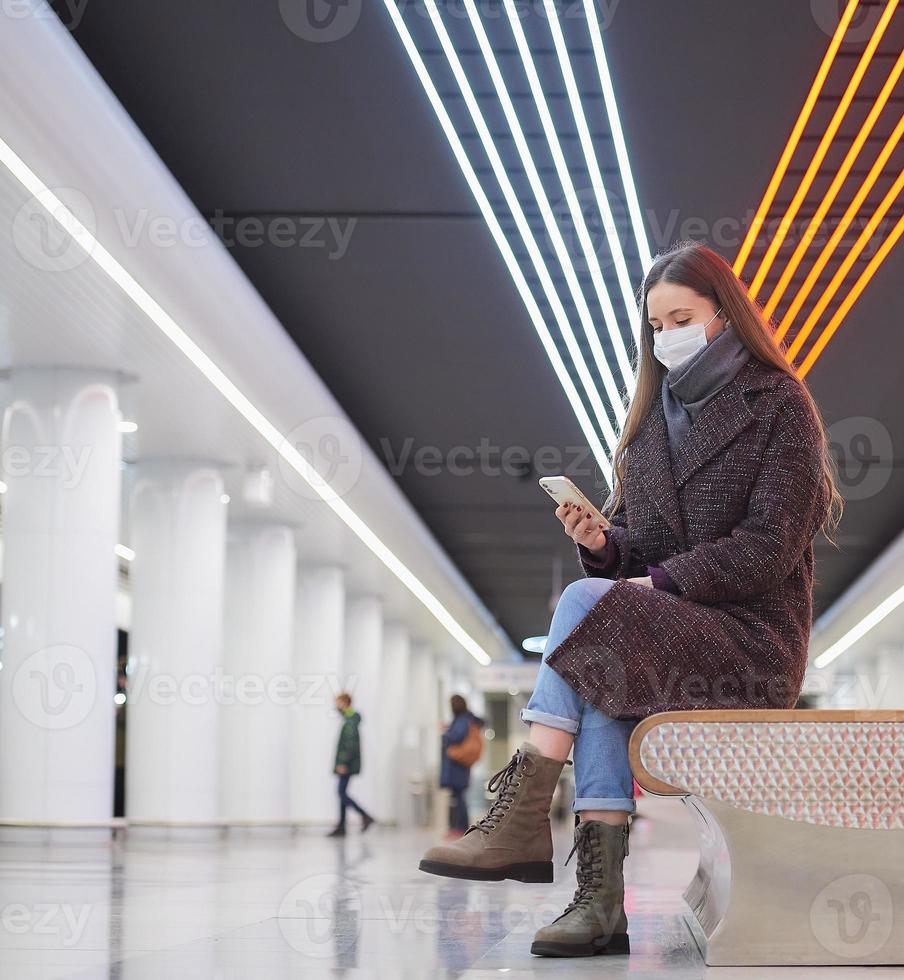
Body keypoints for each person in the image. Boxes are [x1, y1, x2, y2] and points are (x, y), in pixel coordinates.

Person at [419, 241, 841, 958]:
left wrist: (651, 583)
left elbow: (768, 548)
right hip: (672, 630)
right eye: (657, 323)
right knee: (602, 660)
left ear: (725, 314)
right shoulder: (649, 422)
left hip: (750, 642)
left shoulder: (779, 404)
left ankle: (525, 820)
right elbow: (643, 546)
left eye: (684, 316)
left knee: (596, 612)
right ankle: (599, 903)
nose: (668, 334)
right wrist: (608, 547)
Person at [328, 692, 374, 837]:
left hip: (346, 764)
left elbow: (349, 744)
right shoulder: (349, 719)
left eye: (337, 702)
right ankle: (341, 826)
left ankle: (365, 815)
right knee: (342, 793)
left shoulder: (350, 721)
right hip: (347, 764)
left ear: (344, 702)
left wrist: (343, 762)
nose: (336, 706)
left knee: (341, 793)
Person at [439, 694, 483, 837]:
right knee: (457, 797)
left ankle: (460, 827)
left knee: (458, 798)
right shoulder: (466, 719)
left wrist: (445, 733)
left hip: (457, 766)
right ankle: (457, 827)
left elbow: (456, 736)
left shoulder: (463, 720)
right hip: (460, 765)